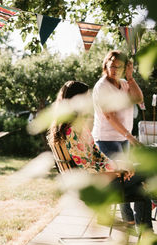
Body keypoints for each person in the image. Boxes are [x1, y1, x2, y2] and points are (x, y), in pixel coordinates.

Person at [48, 80, 152, 229]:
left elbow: (97, 154)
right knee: (147, 171)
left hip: (100, 179)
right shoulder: (71, 130)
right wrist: (117, 170)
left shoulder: (76, 126)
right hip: (95, 187)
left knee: (143, 186)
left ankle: (147, 235)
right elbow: (87, 166)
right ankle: (147, 232)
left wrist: (119, 167)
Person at [92, 50, 144, 226]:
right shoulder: (101, 87)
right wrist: (130, 137)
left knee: (126, 176)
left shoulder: (124, 84)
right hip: (106, 139)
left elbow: (139, 98)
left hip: (122, 138)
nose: (115, 69)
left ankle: (127, 218)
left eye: (119, 67)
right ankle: (123, 217)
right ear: (106, 65)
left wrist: (130, 77)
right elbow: (109, 116)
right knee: (120, 177)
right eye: (112, 65)